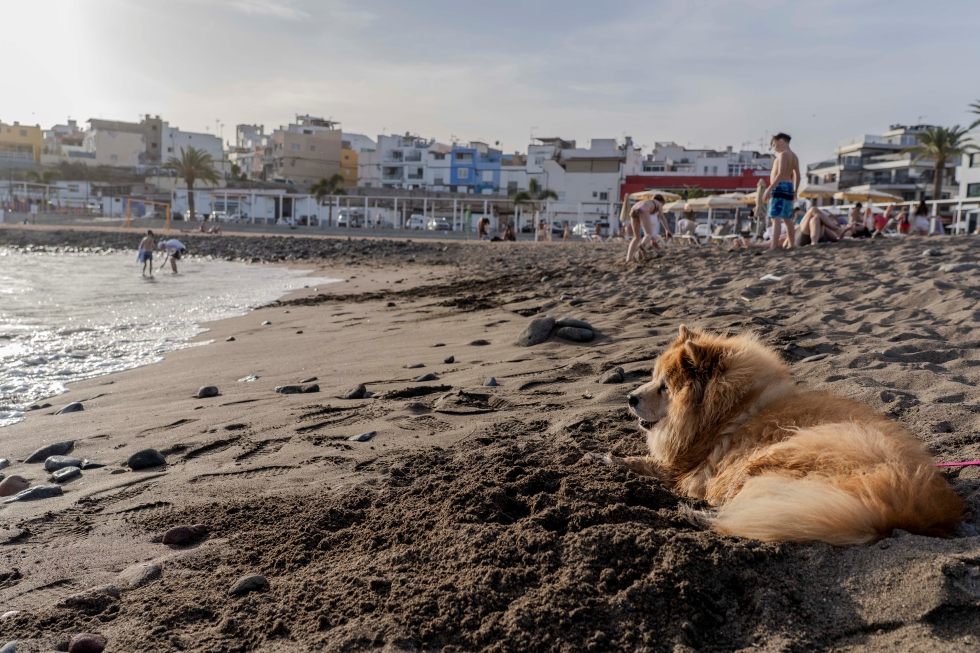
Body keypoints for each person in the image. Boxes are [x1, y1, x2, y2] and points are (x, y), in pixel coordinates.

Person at [762, 133, 801, 251]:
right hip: (789, 186)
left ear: (781, 142)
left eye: (774, 144)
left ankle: (773, 245)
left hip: (779, 186)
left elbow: (780, 174)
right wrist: (795, 191)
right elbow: (798, 176)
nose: (774, 148)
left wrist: (768, 189)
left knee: (775, 217)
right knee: (788, 218)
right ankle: (791, 244)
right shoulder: (794, 156)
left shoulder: (783, 155)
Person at [626, 194, 672, 263]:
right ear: (662, 202)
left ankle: (628, 259)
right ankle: (643, 244)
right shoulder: (659, 204)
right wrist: (667, 229)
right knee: (648, 234)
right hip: (643, 209)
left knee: (636, 237)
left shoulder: (648, 201)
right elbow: (662, 217)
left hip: (633, 209)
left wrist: (653, 241)